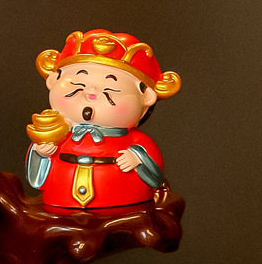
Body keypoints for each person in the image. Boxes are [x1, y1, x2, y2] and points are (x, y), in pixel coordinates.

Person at [26, 29, 181, 209]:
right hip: (59, 202)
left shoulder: (135, 141)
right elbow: (35, 175)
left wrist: (138, 158)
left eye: (110, 89)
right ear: (53, 80)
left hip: (124, 205)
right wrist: (41, 153)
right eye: (77, 85)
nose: (91, 91)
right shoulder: (57, 135)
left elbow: (156, 177)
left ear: (146, 96)